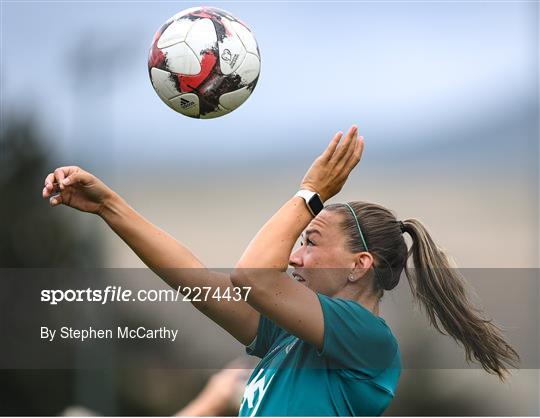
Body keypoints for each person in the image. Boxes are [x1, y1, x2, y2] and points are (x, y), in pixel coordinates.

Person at [42, 125, 519, 416]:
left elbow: (251, 275)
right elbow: (201, 283)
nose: (293, 257)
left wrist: (311, 192)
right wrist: (110, 207)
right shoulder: (292, 337)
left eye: (309, 242)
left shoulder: (369, 339)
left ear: (360, 266)